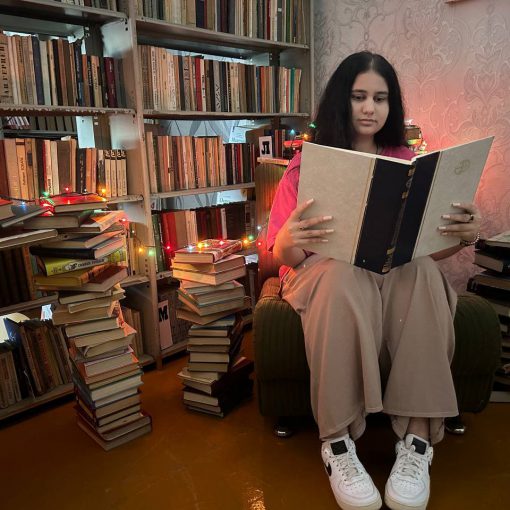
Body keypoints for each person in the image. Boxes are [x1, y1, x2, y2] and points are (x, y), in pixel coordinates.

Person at [266, 51, 481, 510]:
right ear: (340, 100)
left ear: (391, 105)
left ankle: (417, 440)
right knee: (343, 274)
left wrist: (462, 236)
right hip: (320, 271)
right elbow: (283, 256)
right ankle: (338, 443)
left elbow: (428, 249)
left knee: (422, 270)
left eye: (380, 98)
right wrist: (288, 238)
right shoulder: (306, 165)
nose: (369, 108)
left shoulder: (408, 163)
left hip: (392, 268)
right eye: (358, 96)